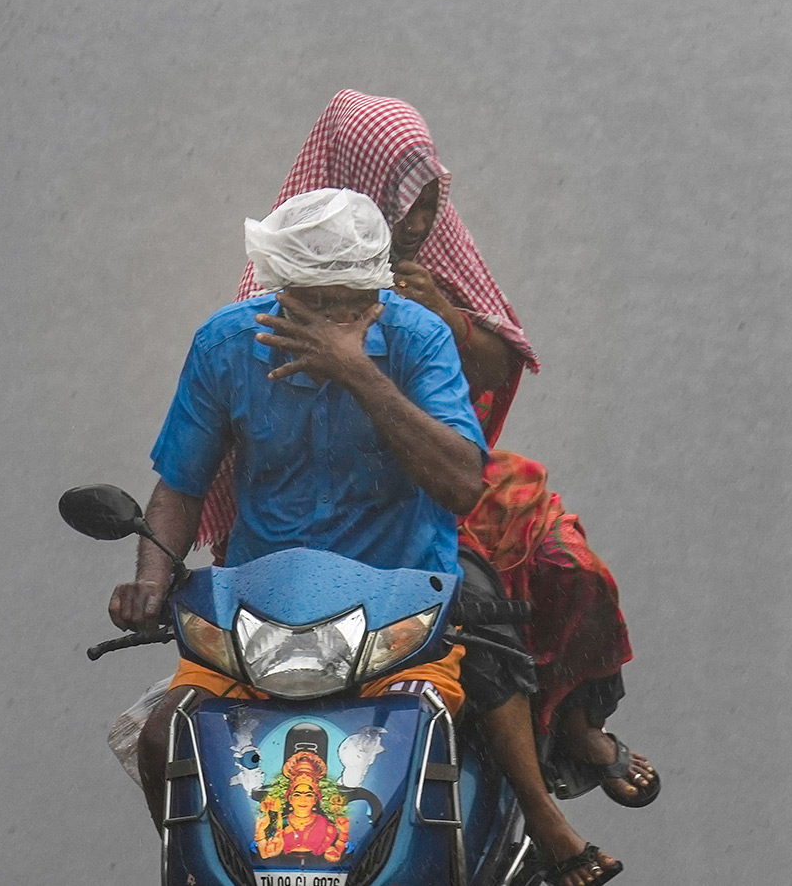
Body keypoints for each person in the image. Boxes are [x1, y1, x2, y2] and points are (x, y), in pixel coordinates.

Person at [111, 188, 623, 886]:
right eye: (314, 304)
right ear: (278, 289)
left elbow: (461, 483)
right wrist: (151, 577)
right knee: (162, 736)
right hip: (266, 610)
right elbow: (179, 484)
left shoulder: (417, 340)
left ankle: (538, 817)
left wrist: (356, 373)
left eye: (351, 302)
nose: (335, 320)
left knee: (473, 688)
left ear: (376, 291)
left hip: (404, 599)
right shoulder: (226, 346)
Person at [206, 90, 658, 813]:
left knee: (561, 568)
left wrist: (446, 320)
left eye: (426, 202)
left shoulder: (428, 274)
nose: (416, 223)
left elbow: (498, 367)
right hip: (328, 497)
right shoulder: (287, 282)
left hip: (441, 471)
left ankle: (575, 727)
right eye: (398, 203)